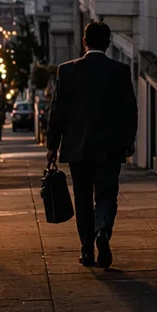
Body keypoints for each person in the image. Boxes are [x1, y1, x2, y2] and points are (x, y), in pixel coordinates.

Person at [46, 21, 136, 268]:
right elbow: (129, 110)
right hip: (110, 148)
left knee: (83, 198)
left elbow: (57, 112)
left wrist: (52, 145)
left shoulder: (67, 71)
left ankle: (86, 250)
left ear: (84, 41)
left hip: (78, 148)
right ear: (108, 43)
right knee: (107, 195)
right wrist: (128, 140)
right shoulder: (120, 71)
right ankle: (102, 230)